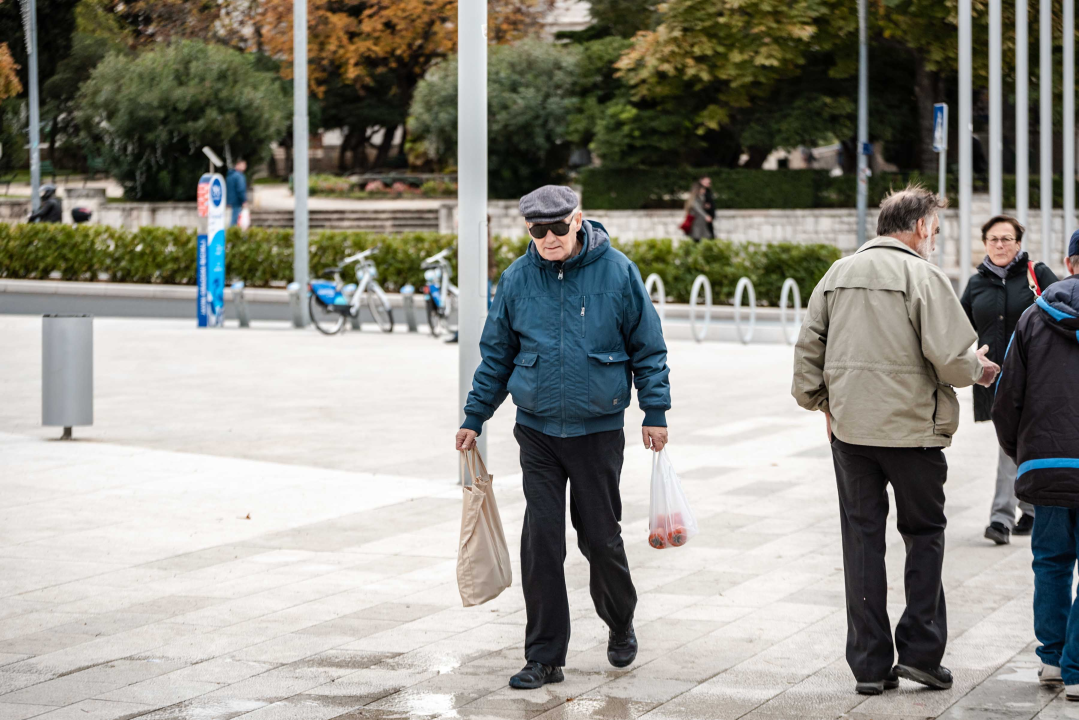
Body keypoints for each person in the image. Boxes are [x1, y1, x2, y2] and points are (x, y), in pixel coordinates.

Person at [455, 185, 671, 691]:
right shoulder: (516, 279)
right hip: (538, 432)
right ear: (527, 228)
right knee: (541, 542)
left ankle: (620, 620)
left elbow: (649, 346)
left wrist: (654, 410)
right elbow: (497, 356)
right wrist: (474, 416)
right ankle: (545, 656)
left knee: (600, 537)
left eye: (557, 227)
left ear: (578, 220)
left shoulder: (617, 271)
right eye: (537, 230)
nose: (548, 239)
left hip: (597, 431)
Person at [791, 185, 1000, 696]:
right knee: (924, 536)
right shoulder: (922, 276)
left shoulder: (836, 274)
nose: (934, 237)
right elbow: (953, 359)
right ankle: (923, 656)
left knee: (861, 541)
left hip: (852, 434)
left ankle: (868, 665)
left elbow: (805, 361)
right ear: (921, 227)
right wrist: (981, 368)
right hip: (914, 436)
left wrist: (825, 405)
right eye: (934, 228)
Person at [992, 231, 1079, 696]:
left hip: (1046, 464)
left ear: (1069, 263)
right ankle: (1078, 668)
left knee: (1050, 562)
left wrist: (1019, 454)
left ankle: (1051, 660)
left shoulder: (1033, 316)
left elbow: (1008, 397)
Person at [961, 215, 1058, 545]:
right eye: (993, 239)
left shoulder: (1038, 274)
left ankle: (1000, 519)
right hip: (994, 380)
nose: (999, 245)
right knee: (1016, 442)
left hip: (1036, 377)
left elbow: (1062, 313)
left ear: (1019, 242)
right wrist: (967, 360)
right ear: (985, 243)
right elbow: (958, 330)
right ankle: (1029, 508)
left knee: (1009, 444)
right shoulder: (976, 284)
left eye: (1006, 239)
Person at [225, 159, 248, 226]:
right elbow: (241, 189)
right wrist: (244, 201)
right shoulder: (239, 176)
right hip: (237, 202)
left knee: (231, 220)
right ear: (238, 165)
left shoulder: (229, 175)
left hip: (230, 201)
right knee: (234, 221)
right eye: (243, 165)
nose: (244, 167)